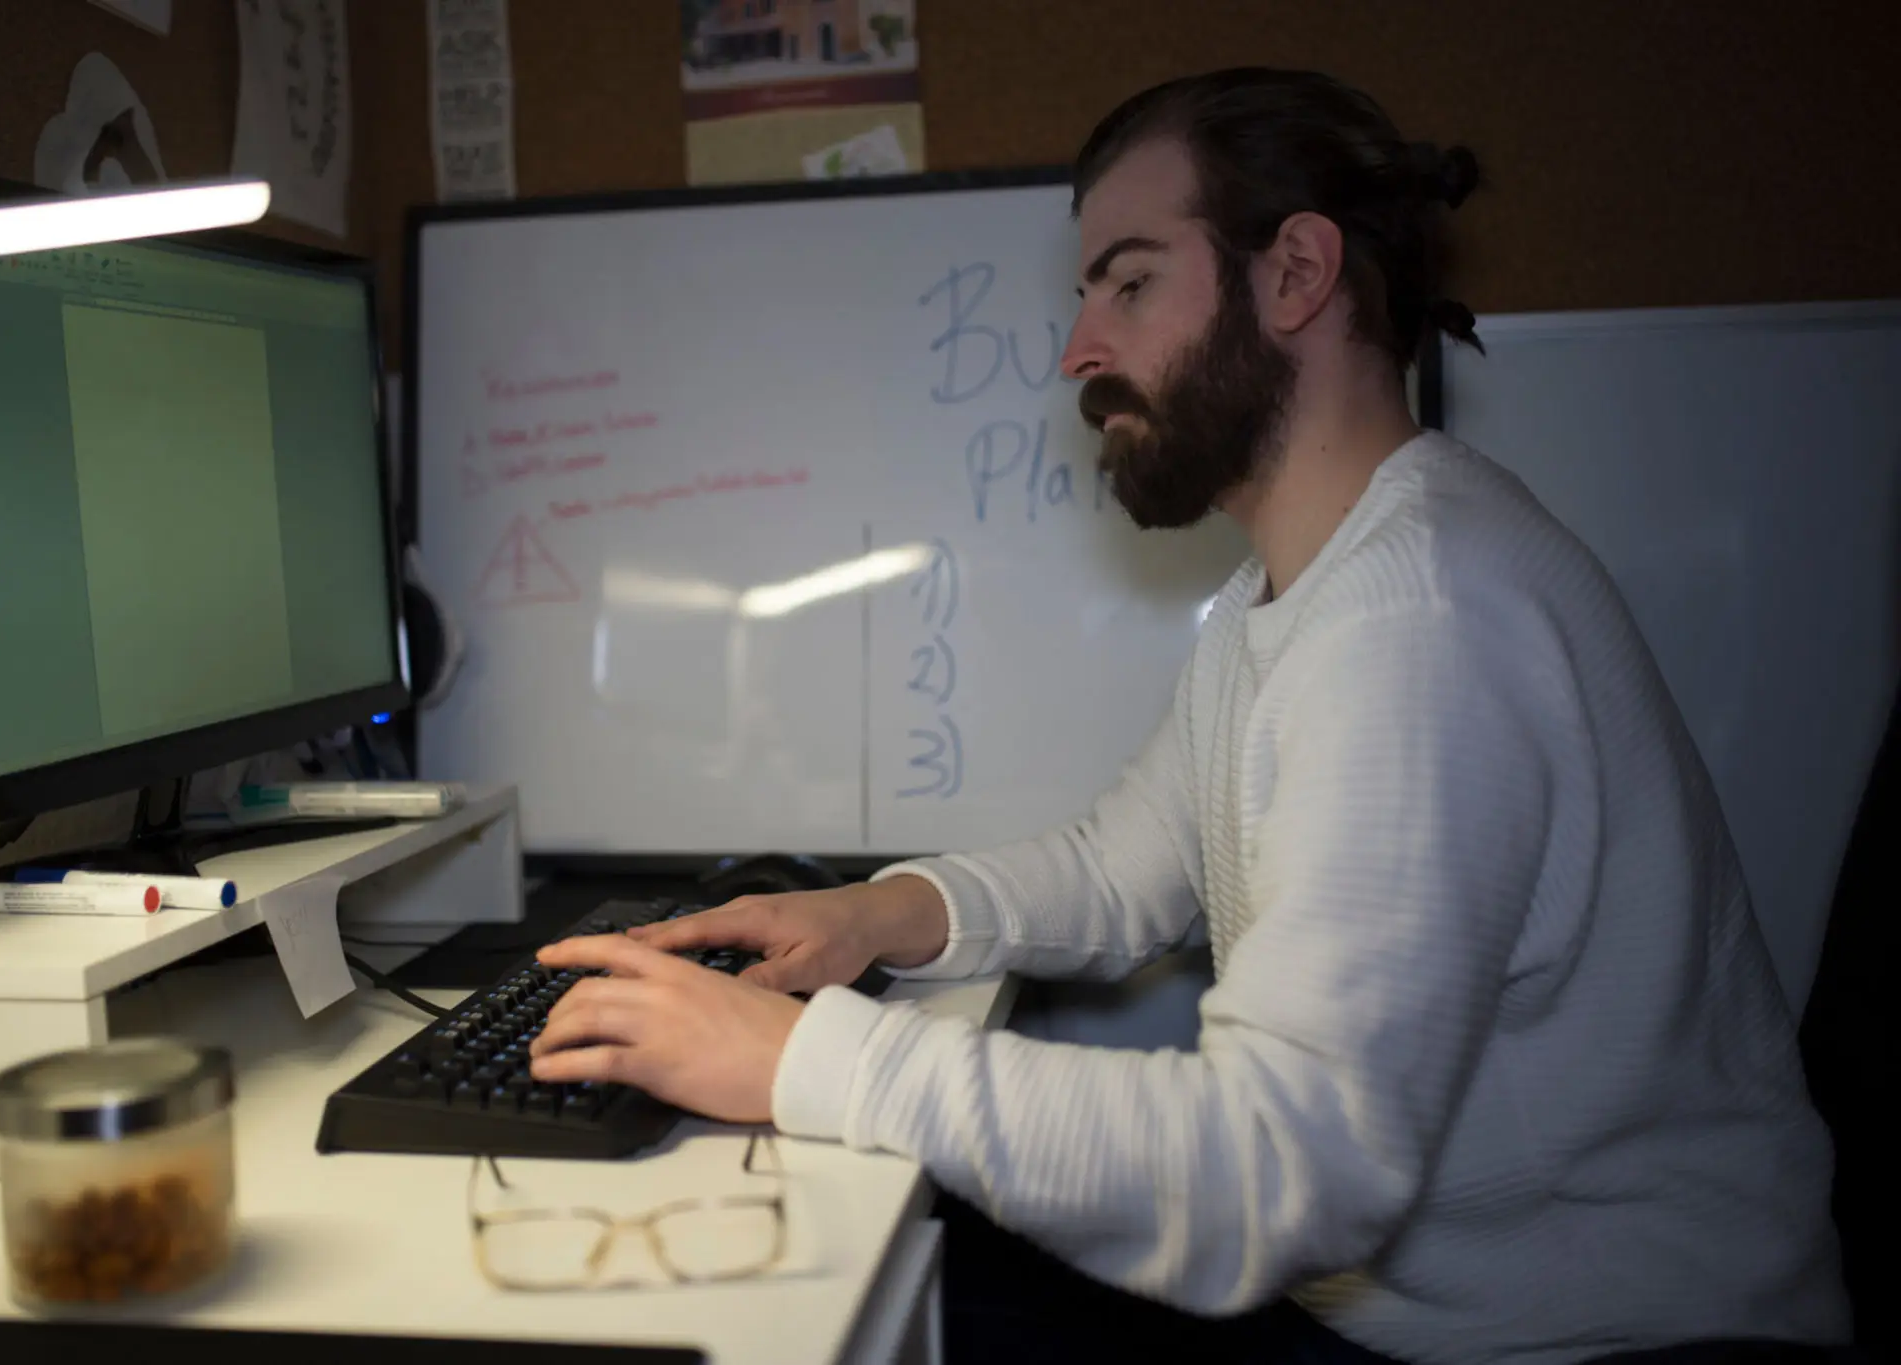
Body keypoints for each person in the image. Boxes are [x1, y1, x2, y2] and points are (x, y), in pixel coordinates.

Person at [527, 67, 1849, 1365]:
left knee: (835, 1298)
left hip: (1590, 1345)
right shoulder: (1301, 590)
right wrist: (870, 916)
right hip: (1414, 1309)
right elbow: (1122, 870)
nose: (1079, 348)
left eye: (1132, 280)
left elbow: (1283, 1169)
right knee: (884, 1266)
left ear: (1295, 274)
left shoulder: (1424, 625)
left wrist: (811, 1061)